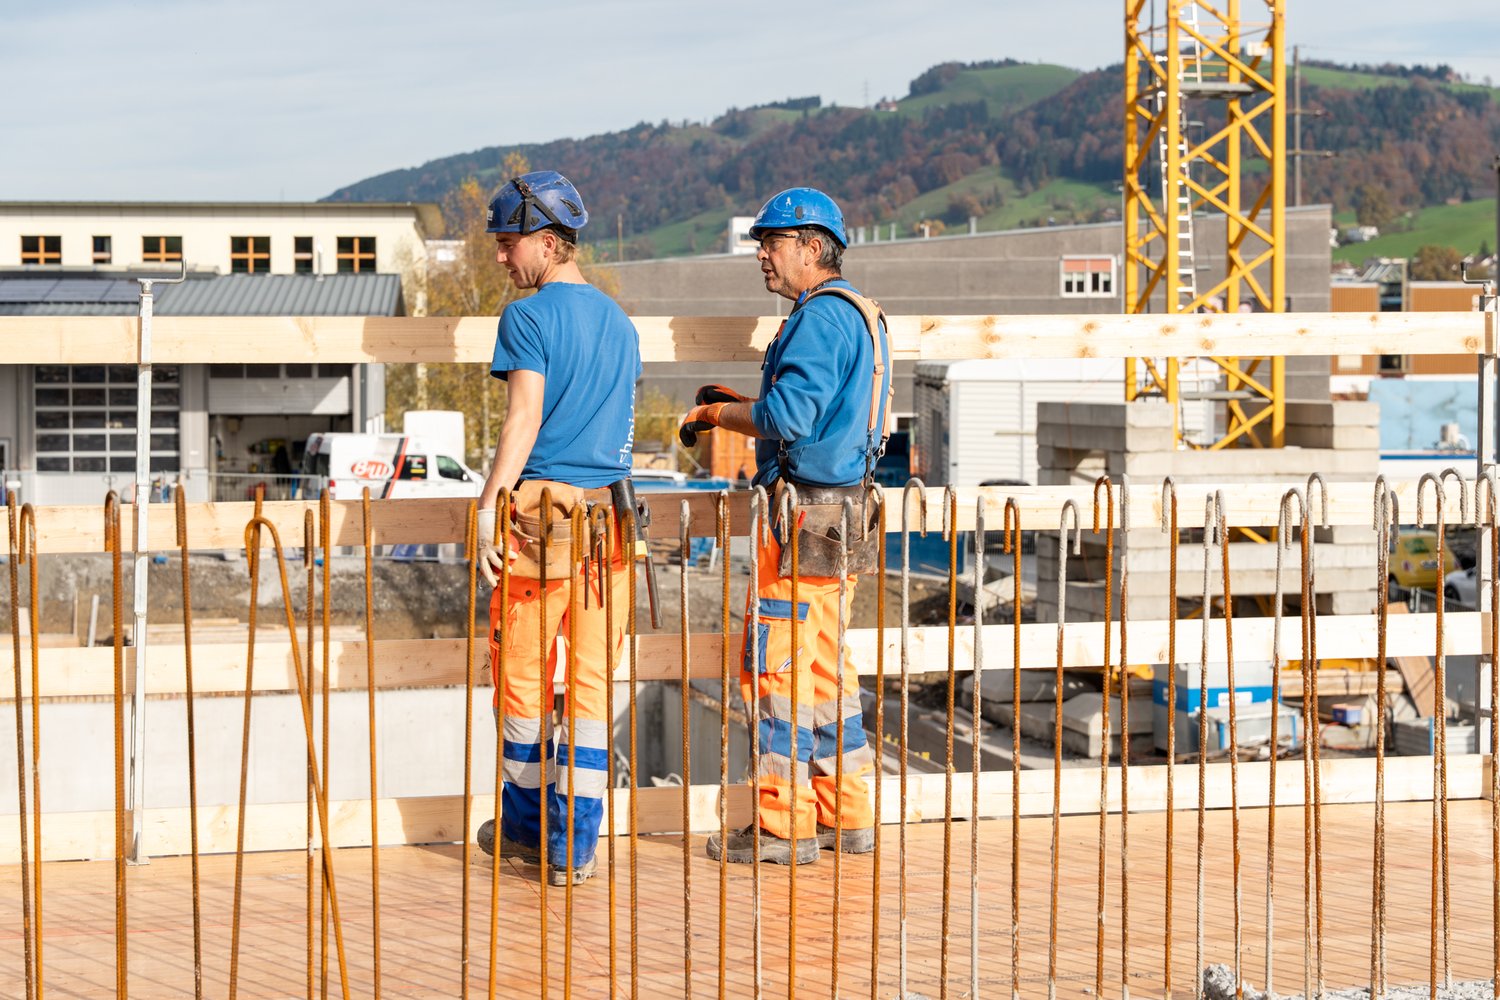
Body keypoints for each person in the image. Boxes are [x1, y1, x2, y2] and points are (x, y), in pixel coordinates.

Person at [679, 187, 892, 865]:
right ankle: (846, 815)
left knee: (777, 670)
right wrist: (743, 403)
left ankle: (782, 826)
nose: (762, 257)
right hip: (844, 511)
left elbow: (790, 418)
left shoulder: (817, 321)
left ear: (809, 246)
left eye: (770, 244)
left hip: (801, 519)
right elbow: (818, 411)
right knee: (826, 669)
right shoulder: (860, 314)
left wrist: (717, 419)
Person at [474, 170, 641, 886]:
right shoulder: (620, 322)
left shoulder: (530, 318)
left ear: (548, 241)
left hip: (541, 523)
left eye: (510, 244)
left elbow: (523, 420)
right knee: (594, 687)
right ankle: (574, 849)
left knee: (521, 684)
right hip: (610, 523)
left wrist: (488, 507)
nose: (503, 259)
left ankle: (522, 830)